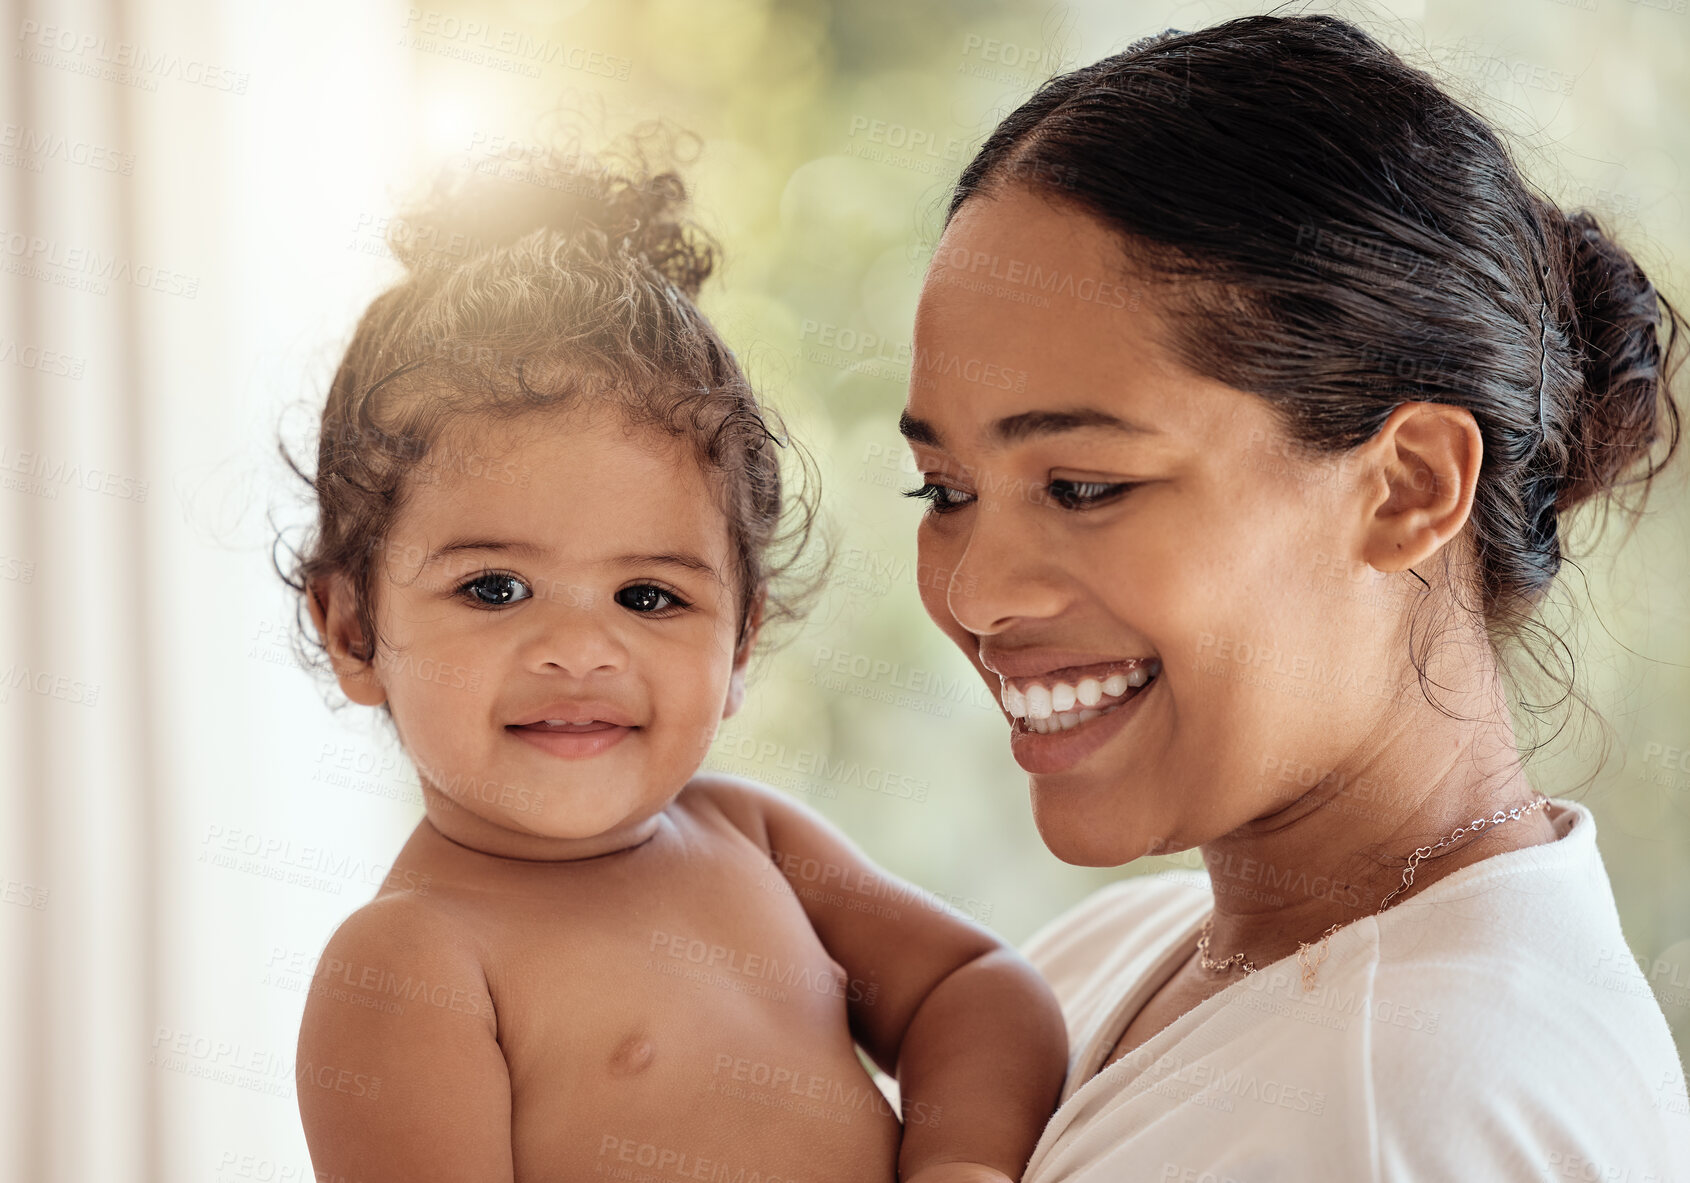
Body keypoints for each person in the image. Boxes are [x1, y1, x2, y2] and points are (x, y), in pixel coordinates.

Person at [898, 15, 1690, 1181]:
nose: (975, 593)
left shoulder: (1409, 1111)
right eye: (943, 488)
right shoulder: (1132, 956)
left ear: (1408, 487)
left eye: (1082, 485)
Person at [282, 132, 1066, 1183]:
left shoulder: (754, 838)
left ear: (740, 639)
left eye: (648, 596)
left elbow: (975, 990)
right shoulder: (410, 966)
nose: (575, 650)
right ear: (353, 631)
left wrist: (959, 1165)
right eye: (493, 588)